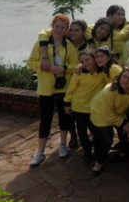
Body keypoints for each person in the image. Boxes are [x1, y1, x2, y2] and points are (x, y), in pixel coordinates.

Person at [28, 14, 79, 167]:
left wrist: (63, 68)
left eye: (63, 27)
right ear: (52, 26)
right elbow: (31, 62)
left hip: (63, 87)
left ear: (66, 30)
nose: (59, 29)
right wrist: (44, 66)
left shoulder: (69, 46)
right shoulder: (41, 44)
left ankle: (62, 144)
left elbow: (75, 65)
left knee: (65, 117)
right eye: (57, 26)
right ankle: (40, 151)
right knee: (45, 119)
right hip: (46, 87)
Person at [89, 67, 129, 174]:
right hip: (100, 115)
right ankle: (99, 163)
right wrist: (124, 124)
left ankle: (123, 153)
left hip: (117, 113)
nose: (126, 80)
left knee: (128, 133)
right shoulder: (109, 91)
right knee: (107, 140)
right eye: (124, 76)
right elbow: (107, 113)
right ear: (120, 77)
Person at [64, 49, 108, 161]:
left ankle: (98, 152)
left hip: (94, 109)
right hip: (78, 108)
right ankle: (87, 152)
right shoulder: (79, 73)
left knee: (96, 132)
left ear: (94, 59)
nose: (85, 63)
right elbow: (71, 89)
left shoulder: (103, 72)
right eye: (82, 61)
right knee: (82, 133)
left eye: (88, 59)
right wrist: (67, 103)